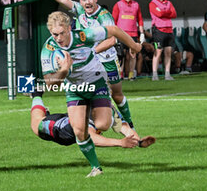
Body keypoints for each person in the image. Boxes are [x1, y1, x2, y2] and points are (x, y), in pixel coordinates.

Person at [36, 0, 139, 136]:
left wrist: (91, 50)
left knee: (117, 95)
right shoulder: (80, 11)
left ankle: (129, 125)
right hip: (88, 62)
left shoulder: (104, 16)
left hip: (107, 59)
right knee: (92, 91)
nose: (87, 2)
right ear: (81, 2)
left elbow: (112, 39)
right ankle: (99, 125)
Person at [41, 11, 141, 177]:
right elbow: (50, 84)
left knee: (102, 124)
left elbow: (114, 30)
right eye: (54, 34)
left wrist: (134, 46)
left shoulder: (83, 36)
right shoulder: (49, 49)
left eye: (62, 33)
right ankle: (96, 168)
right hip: (75, 89)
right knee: (79, 131)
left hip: (96, 82)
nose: (58, 38)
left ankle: (106, 110)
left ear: (69, 28)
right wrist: (64, 70)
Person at [30, 91, 156, 148]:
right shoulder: (88, 110)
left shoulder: (109, 108)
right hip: (61, 129)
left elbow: (125, 129)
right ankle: (36, 94)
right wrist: (120, 143)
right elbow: (91, 138)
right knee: (37, 124)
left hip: (71, 122)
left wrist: (139, 141)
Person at [112, 0, 145, 81]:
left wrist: (142, 33)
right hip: (121, 33)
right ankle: (120, 74)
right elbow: (113, 20)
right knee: (120, 55)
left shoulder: (136, 5)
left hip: (133, 33)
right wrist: (114, 33)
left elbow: (140, 19)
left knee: (133, 55)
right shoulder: (118, 4)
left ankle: (131, 74)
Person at [149, 0, 177, 81]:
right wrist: (167, 12)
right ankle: (155, 74)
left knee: (168, 52)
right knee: (158, 52)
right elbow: (159, 14)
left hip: (169, 30)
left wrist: (164, 12)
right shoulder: (152, 3)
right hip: (158, 30)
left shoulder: (168, 2)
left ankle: (167, 74)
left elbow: (174, 14)